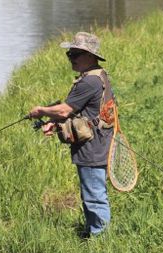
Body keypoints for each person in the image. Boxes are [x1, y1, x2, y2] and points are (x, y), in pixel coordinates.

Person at [29, 32, 114, 239]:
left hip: (92, 146)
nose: (71, 58)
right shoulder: (98, 75)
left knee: (94, 196)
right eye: (70, 54)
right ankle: (92, 232)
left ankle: (100, 240)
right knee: (91, 193)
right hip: (97, 142)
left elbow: (65, 110)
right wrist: (53, 123)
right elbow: (81, 110)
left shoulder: (89, 82)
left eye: (75, 54)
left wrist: (41, 111)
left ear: (90, 55)